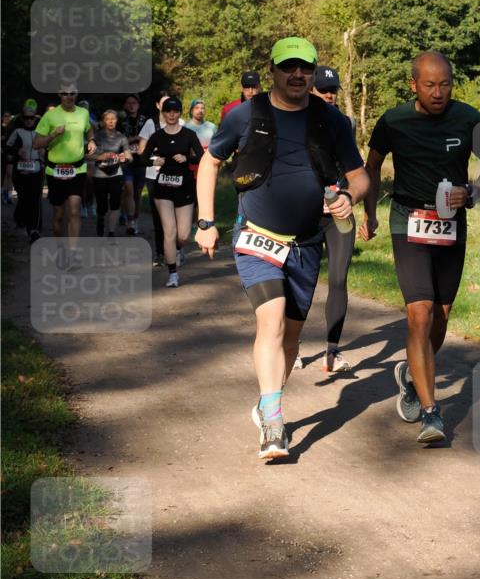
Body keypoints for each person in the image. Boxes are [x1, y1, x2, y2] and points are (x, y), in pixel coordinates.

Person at [195, 37, 368, 460]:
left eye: (305, 68)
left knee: (291, 338)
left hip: (307, 243)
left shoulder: (332, 121)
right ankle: (274, 425)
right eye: (288, 67)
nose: (297, 75)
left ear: (312, 72)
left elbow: (360, 176)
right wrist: (204, 221)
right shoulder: (244, 116)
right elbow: (210, 161)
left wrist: (351, 196)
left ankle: (266, 400)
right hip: (257, 236)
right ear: (271, 69)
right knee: (270, 322)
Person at [359, 51, 480, 445]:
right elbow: (371, 167)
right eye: (429, 85)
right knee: (419, 315)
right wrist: (369, 214)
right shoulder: (393, 120)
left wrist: (472, 191)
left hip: (451, 225)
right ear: (413, 85)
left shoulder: (469, 118)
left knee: (440, 318)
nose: (438, 93)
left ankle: (410, 373)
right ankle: (431, 412)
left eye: (445, 84)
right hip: (408, 221)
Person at [297, 65, 358, 372]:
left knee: (338, 278)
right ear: (311, 90)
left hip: (338, 211)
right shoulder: (294, 121)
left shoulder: (346, 122)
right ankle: (290, 344)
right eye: (324, 90)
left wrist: (347, 196)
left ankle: (332, 350)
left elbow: (354, 169)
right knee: (299, 283)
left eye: (333, 90)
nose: (330, 95)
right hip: (304, 214)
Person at [140, 98, 203, 287]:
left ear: (180, 113)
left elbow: (201, 156)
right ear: (163, 113)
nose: (172, 115)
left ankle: (176, 249)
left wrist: (187, 157)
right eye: (168, 111)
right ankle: (173, 274)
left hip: (184, 186)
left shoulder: (189, 135)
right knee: (169, 231)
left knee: (183, 235)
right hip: (163, 187)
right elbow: (142, 157)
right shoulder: (157, 136)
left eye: (175, 111)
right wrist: (153, 161)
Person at [33, 83, 96, 254]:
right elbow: (36, 144)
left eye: (73, 93)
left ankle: (73, 252)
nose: (69, 96)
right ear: (59, 94)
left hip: (78, 169)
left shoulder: (83, 113)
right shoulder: (50, 116)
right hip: (55, 171)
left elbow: (89, 130)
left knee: (75, 210)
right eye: (65, 93)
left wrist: (91, 141)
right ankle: (60, 248)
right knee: (58, 214)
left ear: (77, 94)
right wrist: (53, 134)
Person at [137, 94, 185, 266]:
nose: (169, 110)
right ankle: (159, 252)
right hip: (154, 175)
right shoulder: (151, 124)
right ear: (159, 106)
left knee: (178, 215)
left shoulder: (183, 124)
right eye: (165, 105)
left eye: (172, 106)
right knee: (159, 216)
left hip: (177, 175)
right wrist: (154, 158)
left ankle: (177, 249)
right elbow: (142, 150)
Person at [6, 103, 44, 240]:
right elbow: (6, 147)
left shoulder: (41, 132)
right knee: (23, 198)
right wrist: (17, 152)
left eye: (31, 118)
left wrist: (43, 153)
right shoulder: (17, 132)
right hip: (20, 171)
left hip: (36, 170)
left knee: (35, 199)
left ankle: (34, 229)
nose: (29, 120)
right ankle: (19, 221)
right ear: (22, 118)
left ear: (35, 118)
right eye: (26, 118)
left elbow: (49, 146)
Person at [92, 110, 131, 237]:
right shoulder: (96, 137)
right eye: (107, 119)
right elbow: (87, 155)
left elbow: (129, 155)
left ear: (117, 121)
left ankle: (111, 231)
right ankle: (101, 219)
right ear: (103, 121)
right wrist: (100, 157)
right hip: (100, 174)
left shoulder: (121, 137)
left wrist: (126, 158)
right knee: (102, 204)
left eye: (113, 119)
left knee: (115, 203)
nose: (110, 121)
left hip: (116, 173)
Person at [119, 94, 148, 235]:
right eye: (129, 103)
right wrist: (136, 138)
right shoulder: (121, 121)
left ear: (138, 105)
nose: (131, 105)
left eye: (134, 103)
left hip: (141, 160)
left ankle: (136, 219)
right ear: (125, 105)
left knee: (137, 193)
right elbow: (118, 140)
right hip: (126, 160)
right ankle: (130, 221)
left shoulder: (145, 121)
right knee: (129, 190)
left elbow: (149, 138)